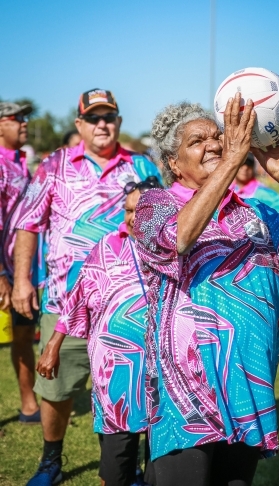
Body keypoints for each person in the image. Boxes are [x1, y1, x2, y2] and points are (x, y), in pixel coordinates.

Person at [133, 95, 279, 486]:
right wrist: (234, 160)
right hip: (185, 394)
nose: (214, 145)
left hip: (248, 385)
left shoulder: (255, 212)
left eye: (217, 137)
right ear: (173, 164)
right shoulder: (157, 204)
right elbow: (180, 238)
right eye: (197, 141)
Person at [11, 88, 162, 486]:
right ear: (79, 124)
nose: (101, 124)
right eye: (93, 118)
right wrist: (23, 278)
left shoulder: (142, 167)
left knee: (133, 390)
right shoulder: (55, 165)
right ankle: (51, 461)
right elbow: (27, 222)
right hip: (63, 301)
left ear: (119, 122)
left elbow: (167, 222)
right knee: (57, 388)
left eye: (108, 117)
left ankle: (127, 465)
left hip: (131, 306)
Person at [35, 176, 161, 486]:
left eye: (140, 210)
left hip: (162, 367)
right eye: (127, 210)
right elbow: (76, 298)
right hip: (115, 371)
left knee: (159, 455)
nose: (132, 218)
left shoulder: (172, 250)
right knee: (116, 456)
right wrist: (53, 344)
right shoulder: (107, 247)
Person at [0, 101, 41, 423]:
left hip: (21, 270)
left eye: (26, 117)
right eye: (17, 118)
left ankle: (28, 404)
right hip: (4, 270)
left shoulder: (21, 163)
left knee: (23, 336)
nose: (24, 123)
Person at [232, 152, 279, 218]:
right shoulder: (227, 191)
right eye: (242, 164)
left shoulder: (267, 194)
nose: (245, 168)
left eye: (249, 164)